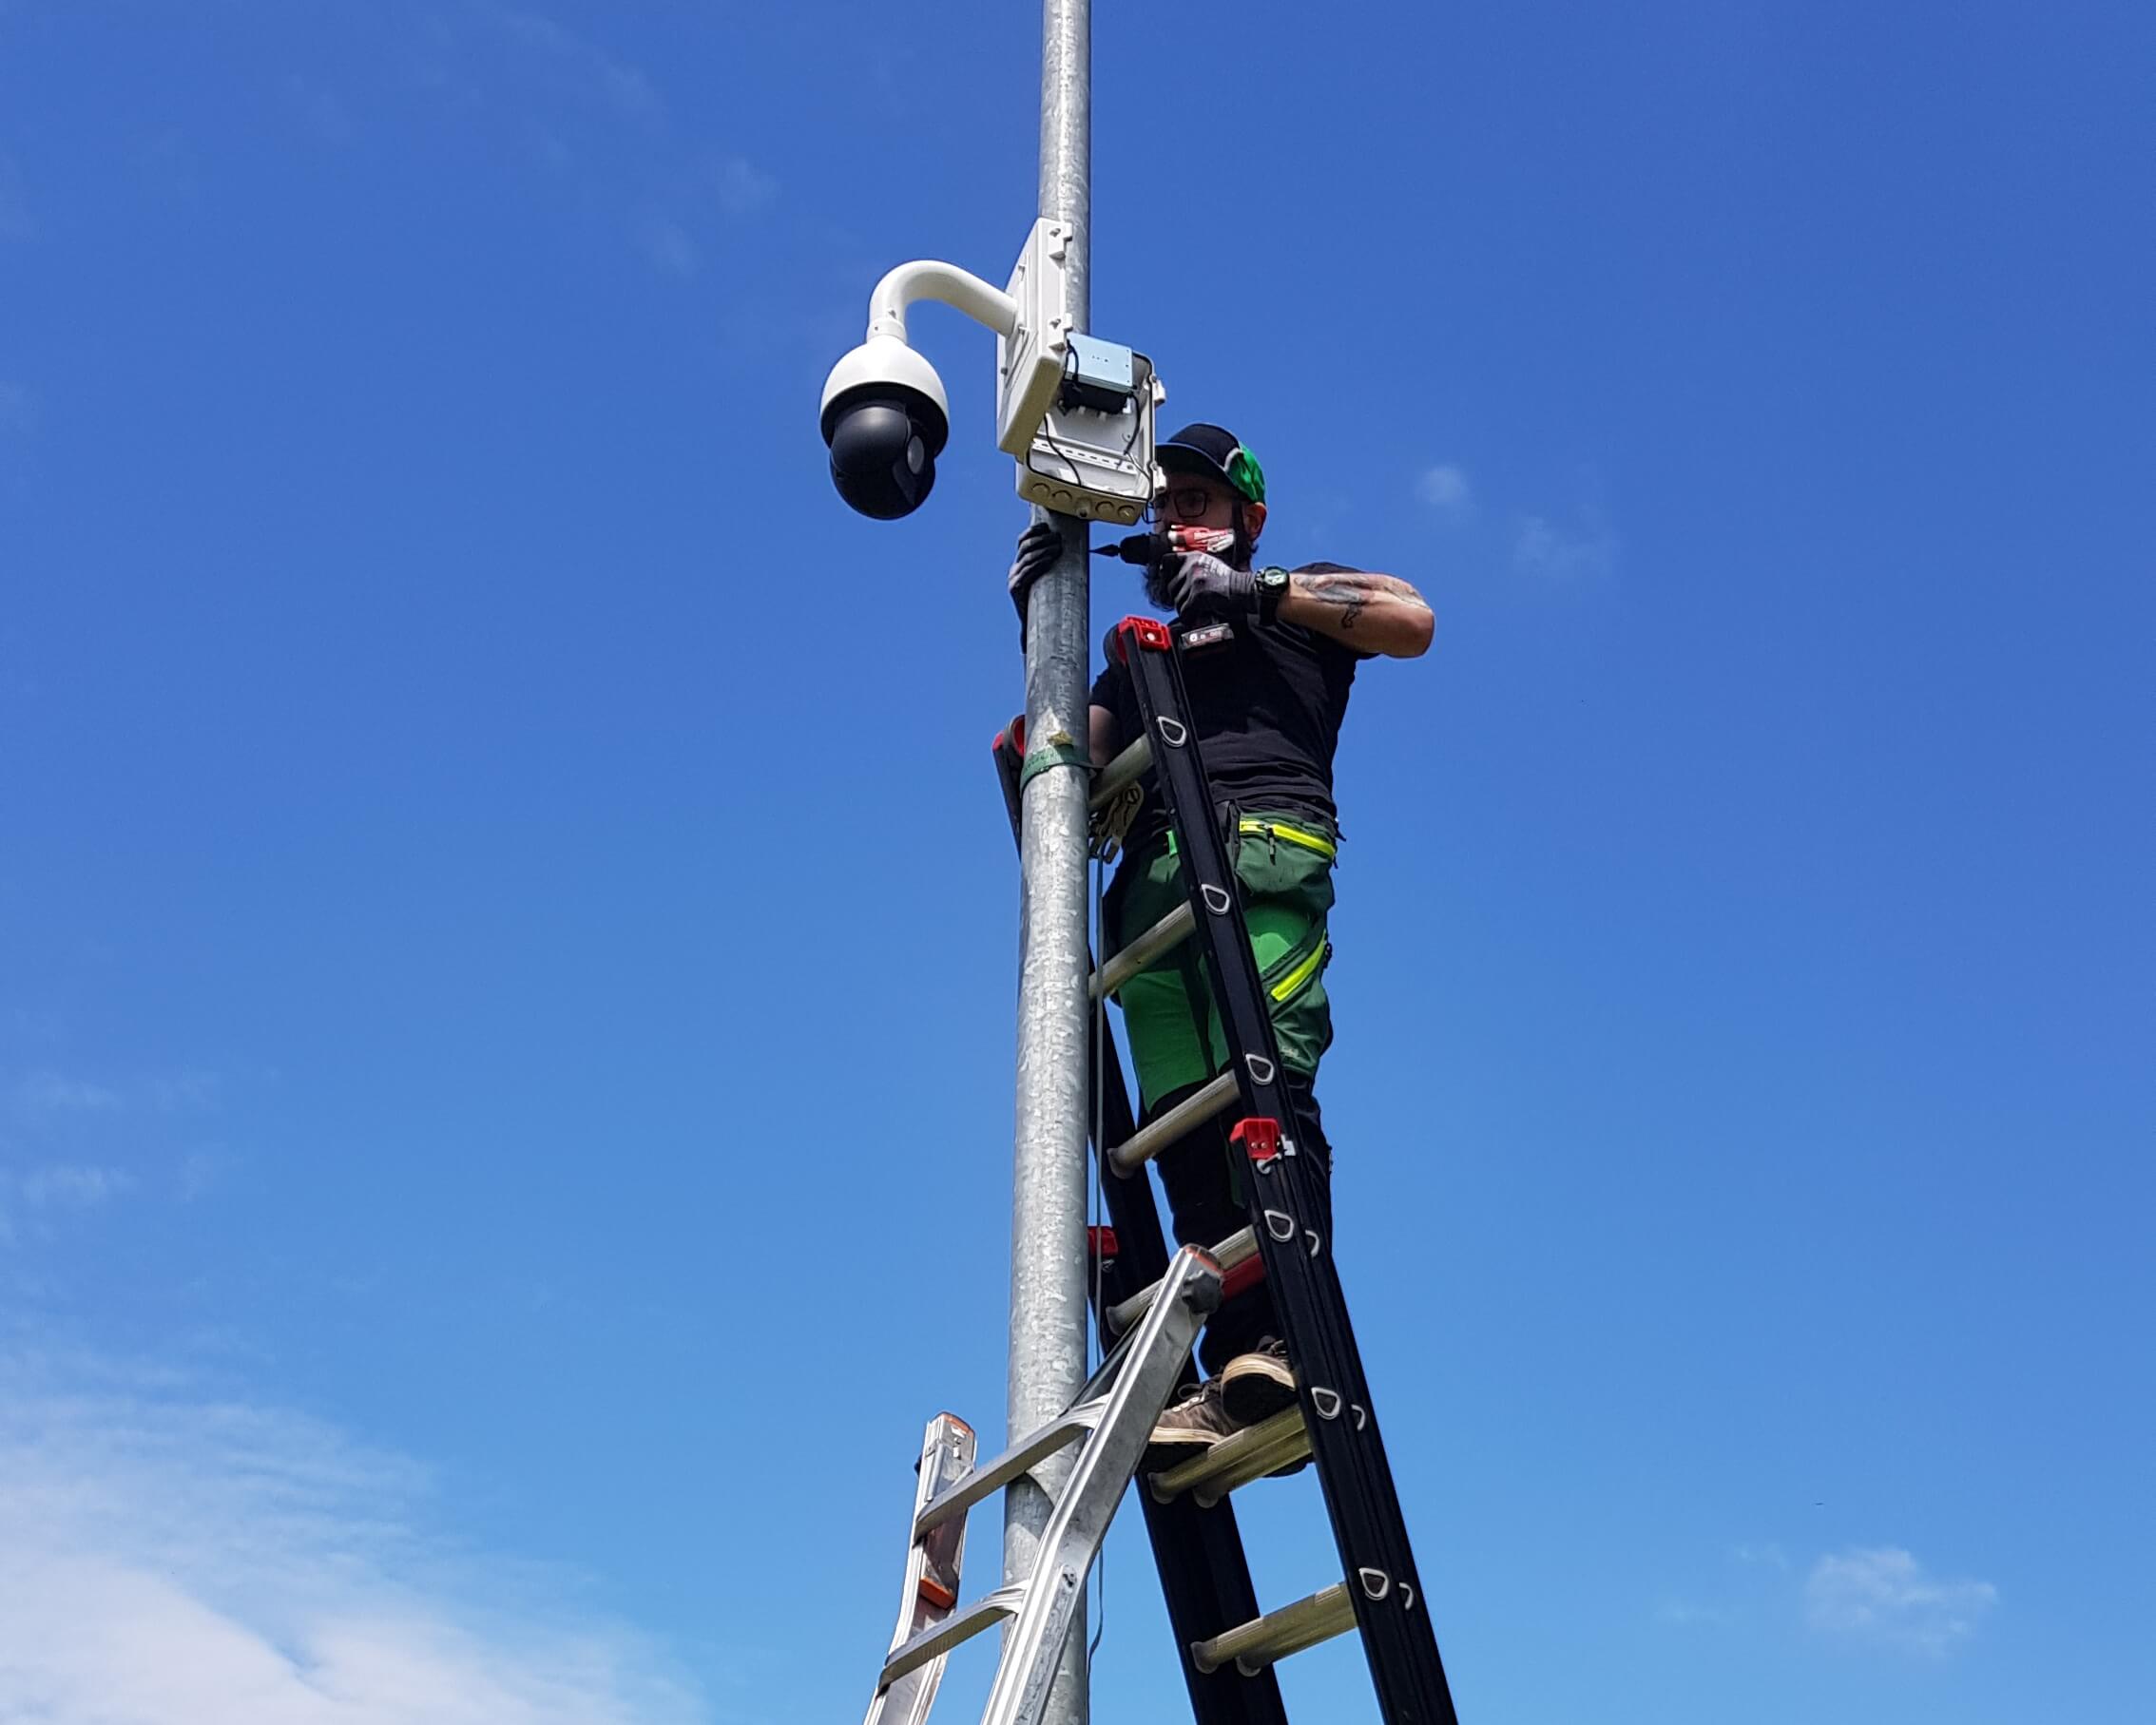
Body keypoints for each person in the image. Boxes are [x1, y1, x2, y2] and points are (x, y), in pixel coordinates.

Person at [1007, 422, 1434, 1471]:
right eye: (1167, 506)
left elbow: (1412, 620)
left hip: (1262, 850)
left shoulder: (1300, 597)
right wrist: (1042, 632)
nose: (1178, 520)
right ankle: (1239, 1368)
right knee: (1185, 1134)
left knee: (1266, 1089)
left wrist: (1257, 590)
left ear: (1249, 517)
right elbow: (1059, 773)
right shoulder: (1139, 662)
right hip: (1151, 891)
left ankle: (1296, 1340)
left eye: (1200, 502)